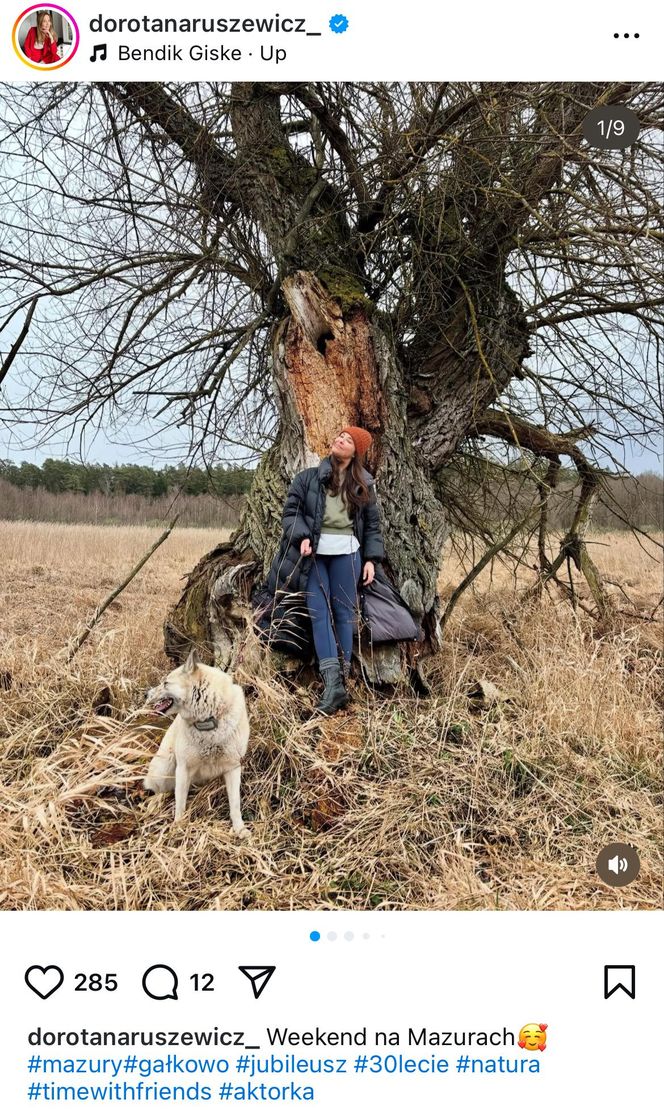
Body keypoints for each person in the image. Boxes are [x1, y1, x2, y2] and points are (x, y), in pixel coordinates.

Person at [265, 426, 385, 715]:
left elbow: (372, 526)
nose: (339, 440)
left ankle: (340, 683)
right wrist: (302, 536)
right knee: (319, 614)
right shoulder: (307, 479)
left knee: (344, 615)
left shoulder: (363, 485)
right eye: (339, 436)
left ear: (356, 451)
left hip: (349, 555)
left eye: (347, 439)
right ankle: (333, 686)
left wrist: (371, 559)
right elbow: (290, 513)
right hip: (315, 556)